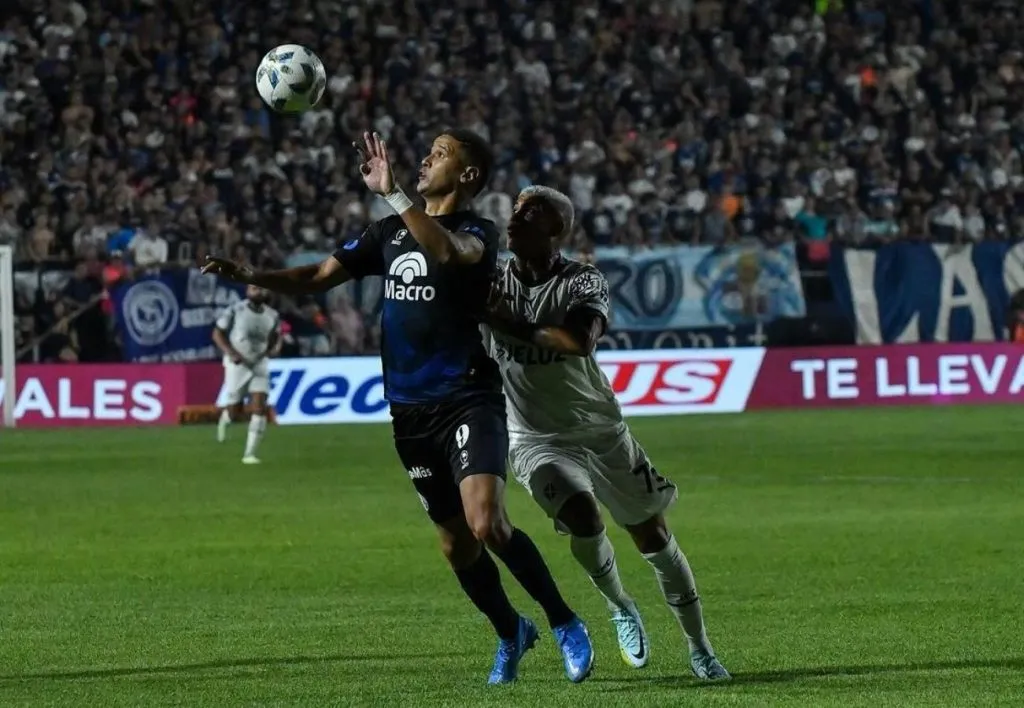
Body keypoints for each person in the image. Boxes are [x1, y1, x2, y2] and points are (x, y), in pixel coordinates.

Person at [202, 130, 593, 685]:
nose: (426, 160)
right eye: (428, 152)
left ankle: (564, 622)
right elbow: (316, 277)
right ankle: (512, 631)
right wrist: (250, 275)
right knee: (455, 544)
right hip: (409, 412)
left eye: (440, 154)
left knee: (487, 523)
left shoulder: (476, 233)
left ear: (467, 176)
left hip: (466, 397)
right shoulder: (386, 233)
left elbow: (444, 251)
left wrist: (393, 195)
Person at [482, 185, 731, 681]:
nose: (515, 219)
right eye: (515, 210)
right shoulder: (489, 282)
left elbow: (578, 340)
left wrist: (507, 323)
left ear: (556, 231)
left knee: (654, 537)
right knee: (583, 517)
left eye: (531, 213)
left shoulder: (582, 280)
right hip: (534, 438)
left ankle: (700, 647)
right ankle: (621, 606)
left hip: (600, 430)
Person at [213, 284, 281, 464]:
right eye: (254, 289)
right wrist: (231, 353)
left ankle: (249, 454)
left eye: (261, 289)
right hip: (238, 364)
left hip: (259, 364)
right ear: (247, 292)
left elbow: (275, 336)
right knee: (235, 410)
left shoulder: (272, 315)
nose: (258, 291)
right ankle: (225, 418)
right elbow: (217, 333)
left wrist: (272, 350)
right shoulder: (235, 310)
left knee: (259, 407)